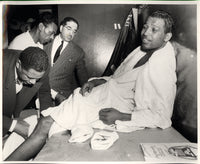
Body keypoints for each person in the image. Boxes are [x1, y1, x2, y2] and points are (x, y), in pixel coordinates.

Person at [6, 10, 177, 161]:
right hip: (99, 94)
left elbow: (162, 116)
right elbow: (117, 78)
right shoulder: (141, 50)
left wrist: (122, 116)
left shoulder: (163, 65)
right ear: (61, 28)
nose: (146, 33)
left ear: (167, 36)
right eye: (145, 27)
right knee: (46, 121)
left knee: (46, 124)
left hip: (111, 104)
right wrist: (95, 82)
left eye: (154, 30)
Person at [3, 47, 53, 139]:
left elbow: (44, 92)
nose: (33, 82)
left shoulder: (42, 68)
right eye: (29, 77)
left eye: (37, 79)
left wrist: (45, 119)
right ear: (18, 64)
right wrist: (13, 125)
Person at [44, 17, 89, 105]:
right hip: (41, 93)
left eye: (74, 31)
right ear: (61, 28)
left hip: (63, 97)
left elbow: (82, 74)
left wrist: (87, 87)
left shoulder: (78, 52)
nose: (71, 33)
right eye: (69, 28)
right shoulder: (45, 42)